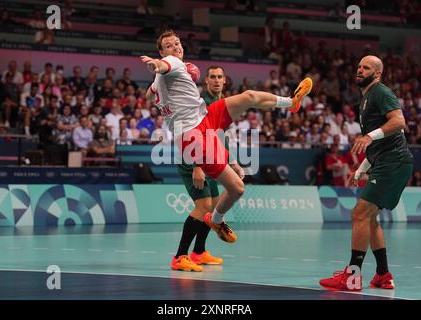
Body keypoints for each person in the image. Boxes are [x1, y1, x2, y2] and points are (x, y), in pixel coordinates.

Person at [140, 30, 312, 271]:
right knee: (237, 189)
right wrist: (154, 65)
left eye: (177, 43)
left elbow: (150, 94)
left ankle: (290, 103)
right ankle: (214, 224)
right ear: (162, 52)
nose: (175, 47)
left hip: (205, 118)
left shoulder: (165, 78)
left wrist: (156, 91)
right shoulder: (173, 63)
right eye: (169, 46)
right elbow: (162, 66)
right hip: (194, 137)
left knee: (249, 96)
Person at [320, 55, 413, 291]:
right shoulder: (366, 97)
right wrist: (361, 168)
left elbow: (399, 122)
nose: (360, 70)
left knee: (359, 214)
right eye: (359, 66)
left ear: (378, 73)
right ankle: (382, 274)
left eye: (366, 68)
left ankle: (352, 277)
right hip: (386, 162)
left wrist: (369, 136)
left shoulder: (380, 92)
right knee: (370, 218)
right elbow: (377, 144)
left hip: (393, 163)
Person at [173, 65, 244, 271]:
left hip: (213, 160)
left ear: (224, 80)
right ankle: (180, 256)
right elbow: (191, 132)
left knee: (212, 207)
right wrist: (197, 166)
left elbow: (219, 138)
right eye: (212, 76)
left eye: (219, 77)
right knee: (203, 207)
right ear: (206, 80)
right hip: (194, 160)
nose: (215, 80)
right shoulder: (200, 103)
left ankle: (199, 252)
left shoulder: (223, 103)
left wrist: (232, 162)